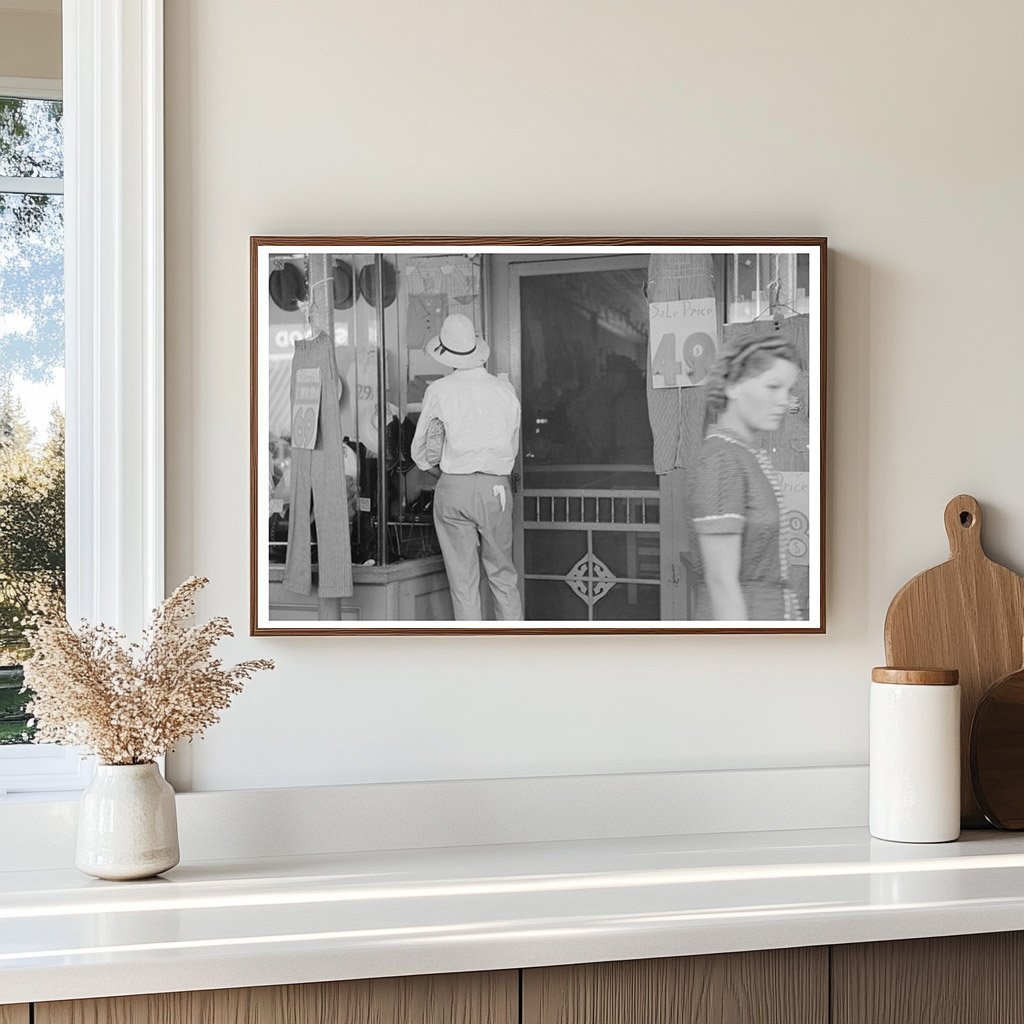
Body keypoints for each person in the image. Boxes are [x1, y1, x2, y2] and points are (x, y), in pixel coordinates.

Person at [411, 314, 523, 621]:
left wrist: (443, 472)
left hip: (454, 488)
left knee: (463, 582)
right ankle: (517, 655)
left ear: (447, 355)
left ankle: (473, 657)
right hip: (496, 489)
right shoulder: (504, 390)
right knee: (503, 577)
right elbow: (510, 447)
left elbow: (420, 452)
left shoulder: (440, 390)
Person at [690, 336, 802, 621]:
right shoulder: (722, 460)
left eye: (788, 390)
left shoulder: (742, 454)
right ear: (732, 386)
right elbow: (721, 581)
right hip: (746, 624)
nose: (784, 401)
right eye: (773, 387)